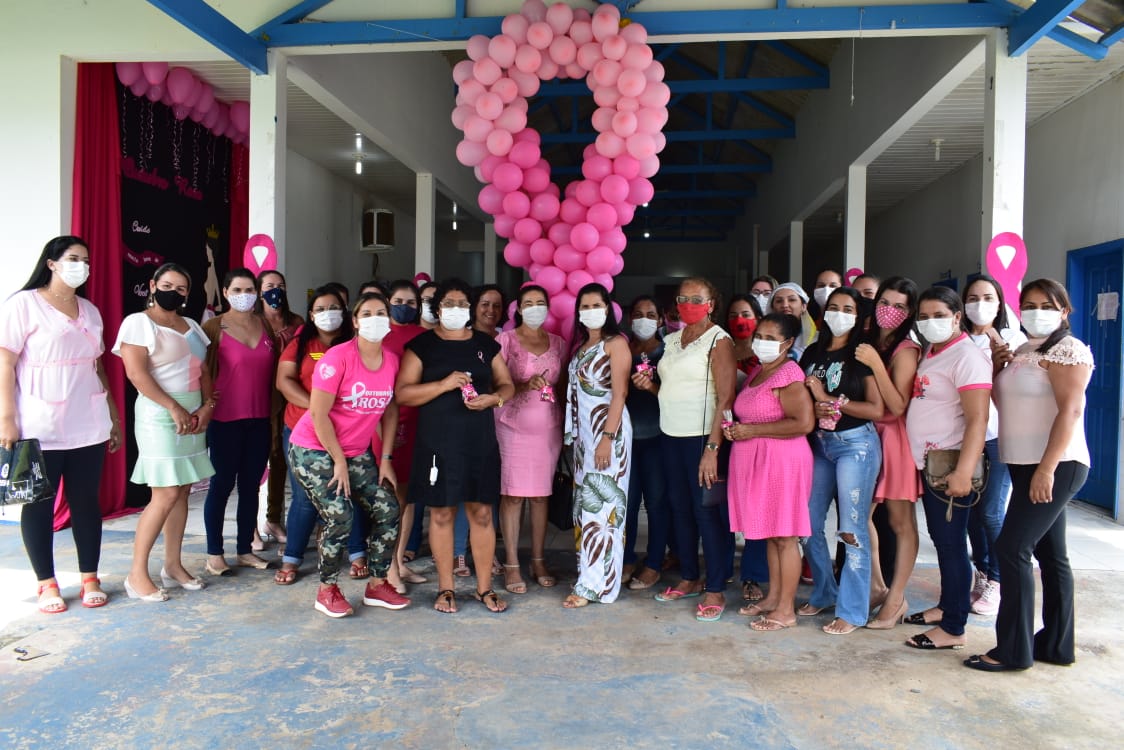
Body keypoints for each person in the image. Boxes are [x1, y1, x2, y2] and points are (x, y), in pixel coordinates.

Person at [966, 280, 1094, 672]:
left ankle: (1012, 650)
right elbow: (1007, 403)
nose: (1036, 312)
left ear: (1064, 311)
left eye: (1046, 306)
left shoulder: (1068, 350)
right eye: (1029, 305)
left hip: (1057, 464)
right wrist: (999, 366)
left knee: (1012, 547)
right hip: (1023, 463)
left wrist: (1047, 469)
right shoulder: (1025, 350)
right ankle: (1055, 645)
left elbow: (1070, 411)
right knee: (1051, 555)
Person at [0, 236, 121, 612]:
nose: (81, 265)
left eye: (85, 259)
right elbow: (5, 362)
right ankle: (46, 582)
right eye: (72, 258)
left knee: (86, 501)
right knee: (39, 502)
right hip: (40, 422)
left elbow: (97, 366)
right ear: (51, 263)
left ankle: (90, 577)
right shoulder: (23, 304)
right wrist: (7, 418)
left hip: (88, 419)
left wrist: (113, 415)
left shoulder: (90, 310)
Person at [395, 279, 515, 614]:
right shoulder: (422, 346)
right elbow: (403, 393)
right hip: (437, 443)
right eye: (449, 303)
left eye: (463, 303)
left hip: (479, 441)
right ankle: (445, 588)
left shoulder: (485, 344)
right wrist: (443, 384)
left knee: (482, 512)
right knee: (442, 512)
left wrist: (494, 398)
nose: (456, 309)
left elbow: (506, 384)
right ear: (437, 308)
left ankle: (484, 588)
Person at [287, 292, 408, 618]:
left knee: (388, 509)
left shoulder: (391, 361)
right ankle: (326, 590)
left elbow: (390, 410)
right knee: (340, 516)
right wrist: (339, 461)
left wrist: (385, 460)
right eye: (366, 314)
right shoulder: (337, 358)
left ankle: (378, 584)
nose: (374, 319)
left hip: (357, 452)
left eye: (381, 313)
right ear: (355, 322)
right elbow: (318, 413)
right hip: (314, 449)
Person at [635, 277, 736, 622]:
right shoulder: (672, 339)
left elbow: (726, 399)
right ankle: (690, 576)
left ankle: (716, 586)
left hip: (701, 438)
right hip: (670, 435)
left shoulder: (719, 341)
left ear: (711, 304)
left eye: (697, 299)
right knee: (678, 507)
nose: (689, 304)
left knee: (705, 511)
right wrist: (650, 387)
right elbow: (670, 389)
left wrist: (712, 448)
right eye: (683, 298)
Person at [114, 263, 215, 601]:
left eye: (181, 288)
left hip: (193, 414)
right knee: (166, 493)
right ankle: (136, 574)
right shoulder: (138, 323)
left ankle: (172, 565)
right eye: (168, 285)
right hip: (160, 414)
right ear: (153, 285)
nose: (175, 292)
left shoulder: (191, 325)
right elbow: (136, 374)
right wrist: (174, 408)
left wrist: (206, 407)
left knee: (183, 490)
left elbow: (203, 370)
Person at [904, 286, 991, 651]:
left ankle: (954, 627)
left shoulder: (967, 356)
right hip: (931, 464)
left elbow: (978, 418)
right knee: (943, 541)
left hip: (950, 466)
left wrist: (963, 472)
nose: (930, 322)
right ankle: (946, 606)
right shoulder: (934, 350)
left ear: (957, 317)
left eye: (939, 315)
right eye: (924, 316)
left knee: (952, 544)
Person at [799, 287, 884, 634]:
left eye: (848, 309)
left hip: (855, 446)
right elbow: (801, 397)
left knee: (851, 528)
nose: (839, 314)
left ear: (858, 316)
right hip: (820, 445)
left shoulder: (862, 353)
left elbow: (876, 409)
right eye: (833, 307)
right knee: (806, 523)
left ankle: (852, 610)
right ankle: (825, 591)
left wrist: (829, 400)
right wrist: (814, 405)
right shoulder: (812, 352)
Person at [725, 313, 814, 631]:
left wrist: (751, 431)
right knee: (773, 536)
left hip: (782, 462)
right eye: (758, 336)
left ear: (787, 343)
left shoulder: (788, 375)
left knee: (785, 537)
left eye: (770, 338)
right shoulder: (759, 372)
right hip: (759, 462)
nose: (761, 342)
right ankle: (774, 597)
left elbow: (803, 423)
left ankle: (786, 610)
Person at [274, 286, 367, 585]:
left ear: (346, 312)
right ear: (311, 315)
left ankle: (357, 553)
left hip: (345, 431)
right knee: (305, 497)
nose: (329, 314)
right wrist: (317, 408)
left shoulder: (356, 344)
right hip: (302, 430)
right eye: (321, 309)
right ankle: (292, 558)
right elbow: (284, 381)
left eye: (335, 308)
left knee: (348, 490)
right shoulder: (301, 343)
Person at [854, 277, 922, 629]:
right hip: (864, 436)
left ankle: (896, 599)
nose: (889, 311)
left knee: (900, 522)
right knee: (858, 518)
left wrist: (877, 364)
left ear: (909, 313)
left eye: (899, 306)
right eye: (884, 302)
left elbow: (897, 406)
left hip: (893, 438)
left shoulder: (906, 349)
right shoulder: (866, 337)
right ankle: (878, 587)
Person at [201, 269, 277, 575]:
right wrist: (205, 404)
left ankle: (245, 549)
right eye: (237, 290)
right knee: (221, 485)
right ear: (226, 292)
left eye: (249, 290)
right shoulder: (213, 327)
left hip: (259, 419)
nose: (244, 295)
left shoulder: (265, 326)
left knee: (250, 487)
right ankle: (214, 553)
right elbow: (200, 370)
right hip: (224, 419)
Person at [962, 275, 1026, 617]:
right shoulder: (958, 339)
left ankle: (1000, 579)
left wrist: (998, 346)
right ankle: (983, 571)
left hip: (999, 436)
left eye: (988, 297)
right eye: (973, 298)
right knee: (971, 512)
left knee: (991, 510)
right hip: (964, 436)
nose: (980, 304)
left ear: (1000, 303)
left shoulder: (1013, 339)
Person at [564, 284, 632, 608]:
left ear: (608, 309)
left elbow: (620, 394)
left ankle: (597, 586)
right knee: (585, 508)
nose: (590, 311)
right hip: (584, 438)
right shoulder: (581, 347)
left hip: (608, 432)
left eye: (596, 305)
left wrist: (607, 438)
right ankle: (587, 576)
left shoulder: (616, 344)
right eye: (585, 306)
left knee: (603, 511)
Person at [495, 285, 565, 594]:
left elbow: (562, 386)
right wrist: (523, 384)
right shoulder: (506, 340)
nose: (535, 307)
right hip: (512, 425)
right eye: (529, 303)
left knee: (540, 495)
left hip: (548, 426)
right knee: (512, 495)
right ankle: (511, 563)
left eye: (540, 302)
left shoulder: (559, 343)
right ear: (519, 309)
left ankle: (538, 560)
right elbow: (495, 382)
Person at [380, 279, 429, 592]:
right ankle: (387, 567)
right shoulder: (378, 333)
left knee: (408, 497)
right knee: (389, 499)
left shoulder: (424, 336)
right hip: (386, 423)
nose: (404, 307)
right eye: (398, 301)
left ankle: (399, 562)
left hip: (419, 422)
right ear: (388, 302)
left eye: (411, 302)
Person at [624, 295, 670, 591]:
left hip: (657, 438)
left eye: (650, 314)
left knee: (656, 503)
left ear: (661, 320)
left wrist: (652, 387)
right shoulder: (622, 350)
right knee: (627, 504)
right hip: (626, 440)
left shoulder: (668, 352)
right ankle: (626, 558)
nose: (644, 320)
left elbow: (677, 395)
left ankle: (654, 563)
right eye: (638, 314)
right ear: (630, 319)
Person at [725, 293, 768, 602]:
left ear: (758, 318)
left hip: (756, 438)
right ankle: (722, 566)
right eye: (734, 315)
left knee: (756, 508)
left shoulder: (766, 354)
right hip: (723, 435)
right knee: (721, 508)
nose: (740, 320)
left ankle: (752, 574)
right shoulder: (721, 349)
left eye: (746, 314)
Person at [257, 269, 303, 548]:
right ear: (259, 291)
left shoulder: (296, 322)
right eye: (269, 286)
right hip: (258, 396)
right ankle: (251, 527)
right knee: (254, 461)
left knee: (281, 460)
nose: (276, 291)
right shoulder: (253, 322)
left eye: (281, 285)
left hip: (289, 397)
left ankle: (274, 519)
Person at [769, 283, 817, 359]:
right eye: (779, 301)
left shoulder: (817, 339)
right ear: (772, 308)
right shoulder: (764, 338)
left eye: (791, 300)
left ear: (804, 306)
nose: (785, 305)